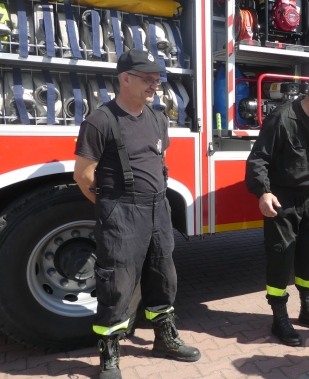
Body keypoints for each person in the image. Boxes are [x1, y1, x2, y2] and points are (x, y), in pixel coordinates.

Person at [73, 49, 200, 379]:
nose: (154, 86)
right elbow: (84, 175)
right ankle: (109, 354)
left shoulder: (158, 118)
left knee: (163, 276)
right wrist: (111, 208)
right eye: (147, 79)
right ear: (125, 78)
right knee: (117, 284)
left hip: (159, 209)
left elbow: (158, 159)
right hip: (122, 212)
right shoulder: (100, 121)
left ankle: (164, 339)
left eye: (157, 80)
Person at [245, 71, 309, 346]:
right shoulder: (282, 118)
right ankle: (280, 316)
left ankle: (307, 308)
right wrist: (263, 192)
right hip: (282, 198)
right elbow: (258, 159)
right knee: (282, 256)